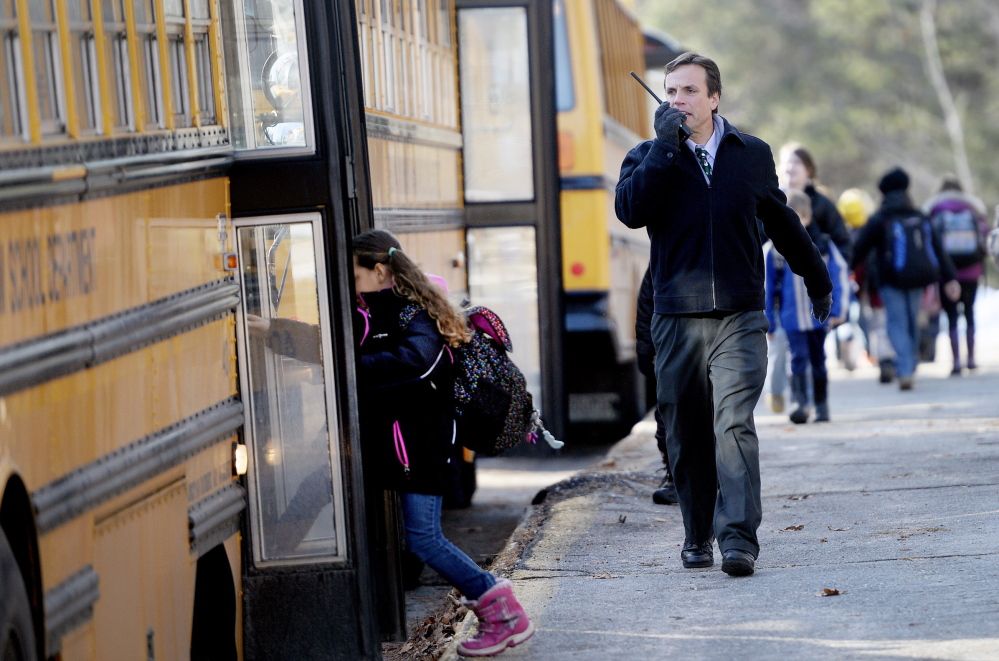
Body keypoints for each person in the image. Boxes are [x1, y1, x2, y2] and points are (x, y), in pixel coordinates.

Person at [615, 52, 833, 577]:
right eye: (670, 92)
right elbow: (630, 211)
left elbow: (781, 220)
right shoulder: (647, 156)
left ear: (714, 98)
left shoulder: (750, 154)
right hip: (676, 319)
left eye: (689, 91)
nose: (677, 101)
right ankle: (696, 535)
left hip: (738, 315)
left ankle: (738, 538)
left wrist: (817, 278)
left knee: (733, 425)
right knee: (686, 431)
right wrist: (663, 150)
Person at [352, 229, 534, 657]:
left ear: (378, 271)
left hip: (422, 445)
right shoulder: (378, 312)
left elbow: (415, 362)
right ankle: (501, 613)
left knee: (425, 539)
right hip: (404, 443)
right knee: (421, 537)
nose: (350, 284)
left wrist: (347, 367)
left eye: (354, 275)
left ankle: (505, 613)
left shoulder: (411, 313)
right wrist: (278, 331)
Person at [850, 168, 960, 390]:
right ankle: (909, 364)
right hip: (918, 279)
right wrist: (950, 278)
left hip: (889, 281)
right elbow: (938, 249)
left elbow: (859, 251)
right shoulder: (919, 215)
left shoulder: (880, 218)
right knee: (911, 322)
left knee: (896, 323)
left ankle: (905, 368)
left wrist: (842, 272)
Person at [765, 190, 849, 424]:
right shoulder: (774, 251)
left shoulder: (823, 245)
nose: (796, 223)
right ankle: (800, 403)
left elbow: (839, 276)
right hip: (791, 317)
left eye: (800, 217)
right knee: (798, 359)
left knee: (819, 360)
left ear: (808, 217)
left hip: (818, 318)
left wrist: (838, 310)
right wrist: (769, 321)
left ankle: (821, 405)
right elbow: (767, 286)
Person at [922, 175, 990, 375]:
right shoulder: (973, 208)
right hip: (972, 270)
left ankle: (956, 362)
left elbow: (929, 241)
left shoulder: (934, 208)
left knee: (951, 314)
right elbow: (984, 238)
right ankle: (971, 358)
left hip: (946, 274)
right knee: (969, 313)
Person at [635, 266, 679, 505]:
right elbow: (645, 305)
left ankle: (714, 477)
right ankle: (675, 478)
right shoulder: (661, 256)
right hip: (668, 350)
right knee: (666, 420)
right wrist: (645, 350)